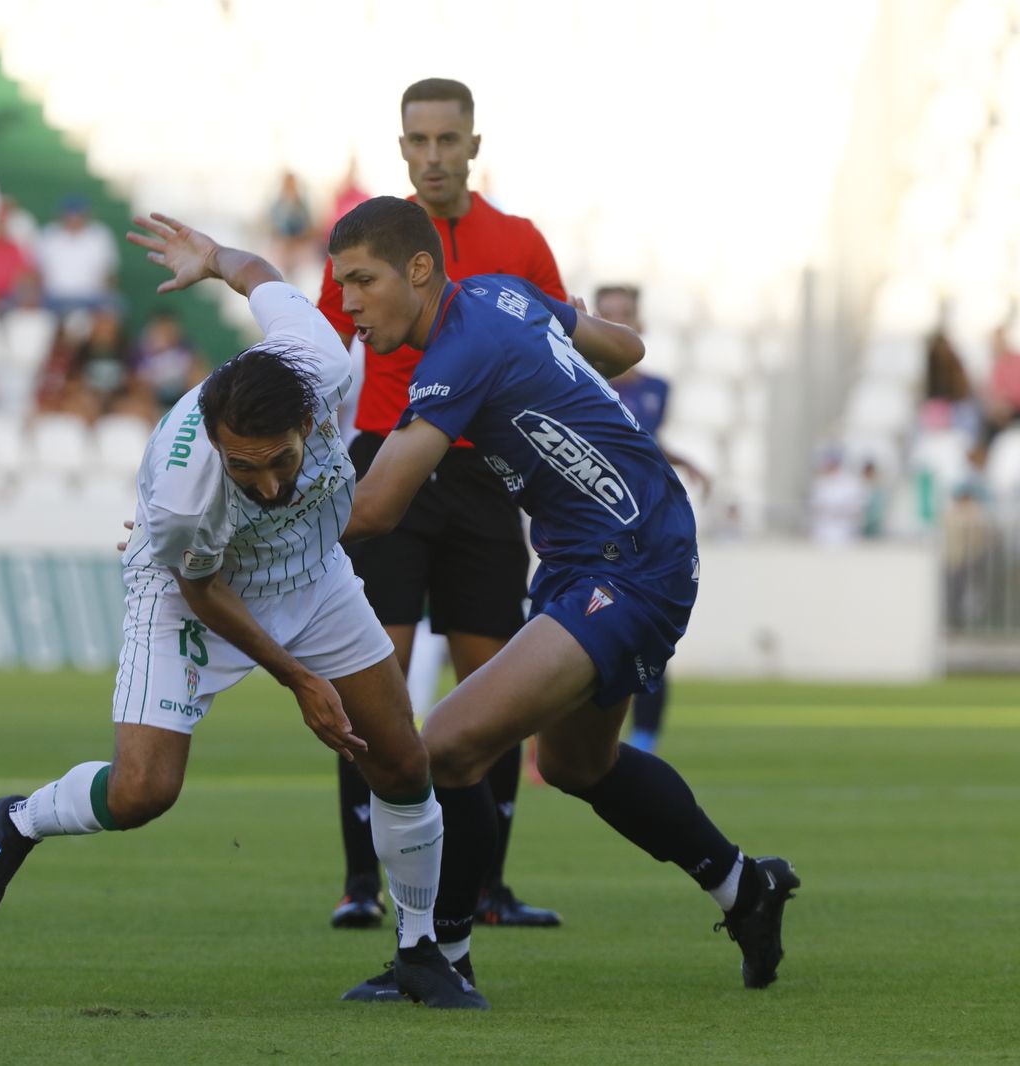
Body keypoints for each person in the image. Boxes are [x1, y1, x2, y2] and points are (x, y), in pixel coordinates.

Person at [0, 212, 486, 1009]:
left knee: (400, 760)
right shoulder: (182, 497)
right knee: (142, 793)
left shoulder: (324, 364)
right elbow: (203, 588)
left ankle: (419, 951)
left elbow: (260, 275)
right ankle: (20, 819)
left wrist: (214, 258)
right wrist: (298, 679)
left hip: (314, 572)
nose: (266, 485)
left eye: (280, 463)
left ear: (311, 421)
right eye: (246, 470)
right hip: (191, 598)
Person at [329, 196, 798, 1000]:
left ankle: (441, 956)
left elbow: (374, 508)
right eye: (341, 287)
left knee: (445, 744)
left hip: (628, 562)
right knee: (578, 764)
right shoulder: (500, 294)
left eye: (362, 281)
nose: (348, 305)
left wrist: (239, 534)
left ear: (417, 270)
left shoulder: (456, 352)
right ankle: (744, 887)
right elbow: (625, 346)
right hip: (610, 548)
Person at [316, 77, 564, 932]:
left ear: (472, 145)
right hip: (385, 459)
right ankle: (362, 883)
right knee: (371, 678)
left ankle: (486, 888)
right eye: (416, 141)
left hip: (485, 476)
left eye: (446, 141)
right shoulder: (367, 242)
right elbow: (318, 351)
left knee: (496, 688)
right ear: (401, 148)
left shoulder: (518, 242)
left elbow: (558, 355)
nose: (432, 157)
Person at [592, 284, 708, 753]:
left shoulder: (657, 390)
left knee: (650, 628)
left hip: (647, 526)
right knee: (591, 626)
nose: (619, 321)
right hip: (594, 524)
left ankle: (642, 740)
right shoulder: (579, 382)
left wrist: (682, 461)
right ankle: (573, 737)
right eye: (608, 313)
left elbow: (641, 443)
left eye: (626, 313)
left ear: (640, 323)